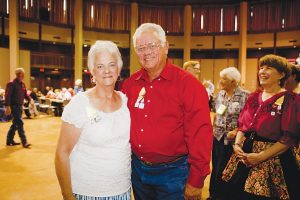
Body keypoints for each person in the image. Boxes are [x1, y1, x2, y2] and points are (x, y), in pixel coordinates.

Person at [122, 23, 213, 200]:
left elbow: (200, 135)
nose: (146, 52)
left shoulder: (189, 85)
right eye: (141, 48)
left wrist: (196, 180)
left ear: (166, 47)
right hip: (138, 170)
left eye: (152, 45)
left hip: (174, 173)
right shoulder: (129, 85)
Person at [55, 41, 131, 200]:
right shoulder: (79, 104)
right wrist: (67, 195)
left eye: (111, 64)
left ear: (119, 68)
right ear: (92, 71)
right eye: (100, 66)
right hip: (88, 192)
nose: (107, 71)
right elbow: (62, 152)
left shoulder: (125, 101)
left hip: (122, 190)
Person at [222, 54, 300, 199]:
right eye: (261, 68)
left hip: (274, 158)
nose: (262, 72)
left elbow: (289, 138)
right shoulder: (253, 96)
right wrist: (237, 144)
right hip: (245, 155)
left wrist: (260, 157)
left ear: (281, 74)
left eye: (268, 68)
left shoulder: (291, 100)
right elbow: (243, 125)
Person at [208, 67, 249, 200]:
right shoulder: (220, 95)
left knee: (229, 170)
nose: (220, 81)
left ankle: (225, 196)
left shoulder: (245, 96)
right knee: (216, 167)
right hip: (218, 138)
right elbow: (216, 112)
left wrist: (237, 130)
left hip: (234, 141)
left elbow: (249, 119)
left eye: (224, 79)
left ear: (233, 81)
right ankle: (214, 194)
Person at [4, 68, 32, 148]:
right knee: (20, 123)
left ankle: (9, 140)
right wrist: (7, 106)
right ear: (16, 74)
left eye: (22, 73)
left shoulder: (22, 84)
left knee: (15, 124)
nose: (20, 75)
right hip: (14, 107)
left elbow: (25, 94)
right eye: (19, 73)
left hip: (20, 107)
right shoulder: (11, 83)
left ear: (24, 75)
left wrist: (30, 100)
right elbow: (7, 96)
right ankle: (24, 142)